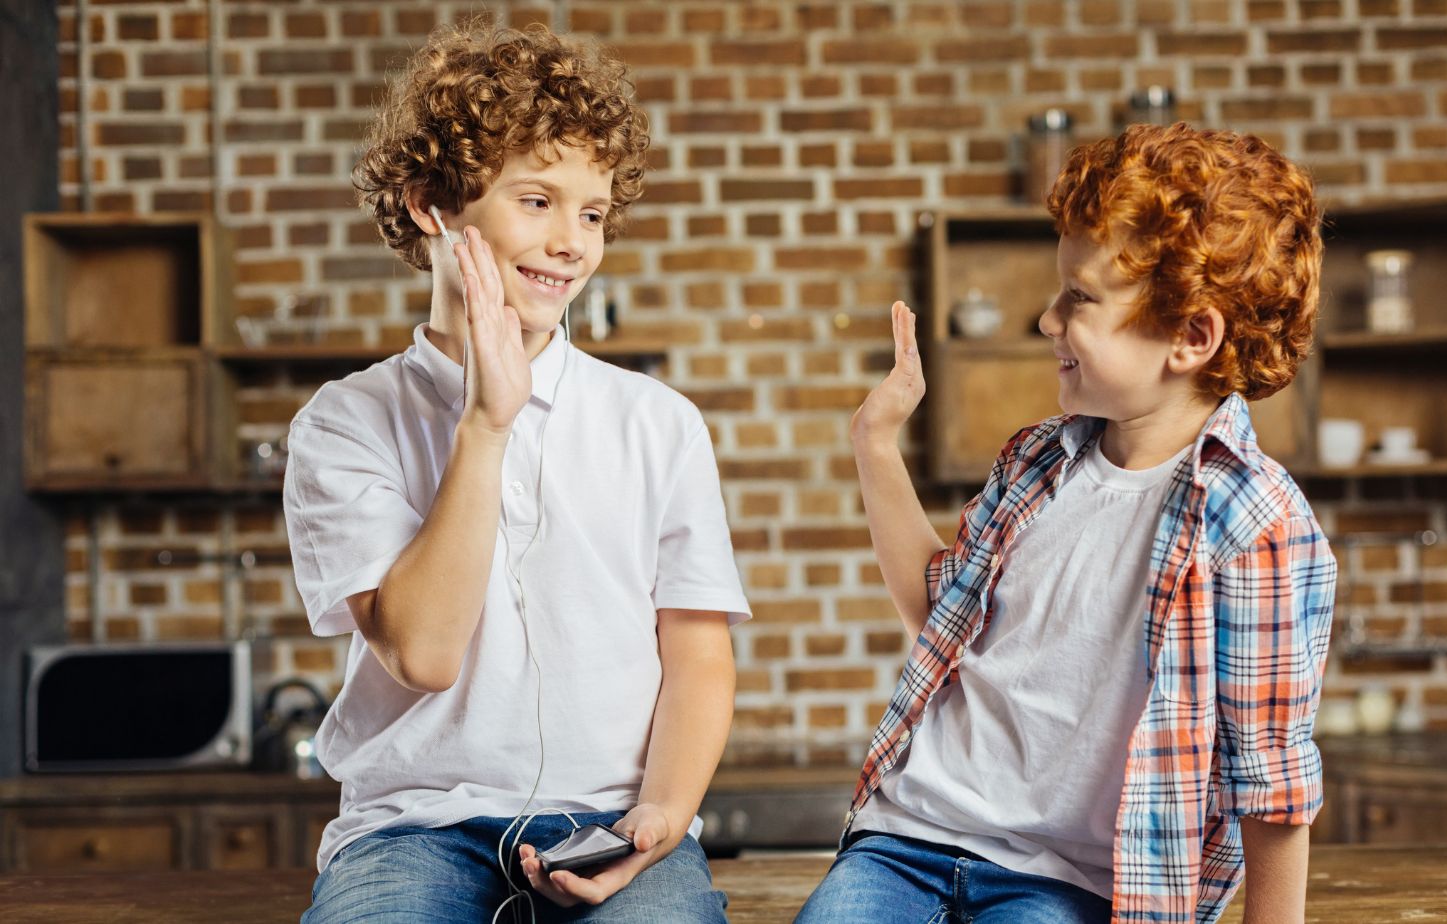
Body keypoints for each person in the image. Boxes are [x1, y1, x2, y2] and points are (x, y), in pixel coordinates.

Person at [798, 123, 1338, 923]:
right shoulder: (1036, 462)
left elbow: (1272, 780)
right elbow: (937, 610)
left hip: (1066, 882)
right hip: (907, 840)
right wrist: (874, 442)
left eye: (1079, 297)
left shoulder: (1255, 524)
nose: (1049, 320)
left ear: (1191, 337)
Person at [283, 22, 749, 923]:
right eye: (536, 200)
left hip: (612, 820)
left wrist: (659, 816)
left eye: (593, 212)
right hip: (411, 830)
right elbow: (423, 653)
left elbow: (697, 651)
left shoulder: (658, 424)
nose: (571, 241)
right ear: (432, 203)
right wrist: (486, 425)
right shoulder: (344, 424)